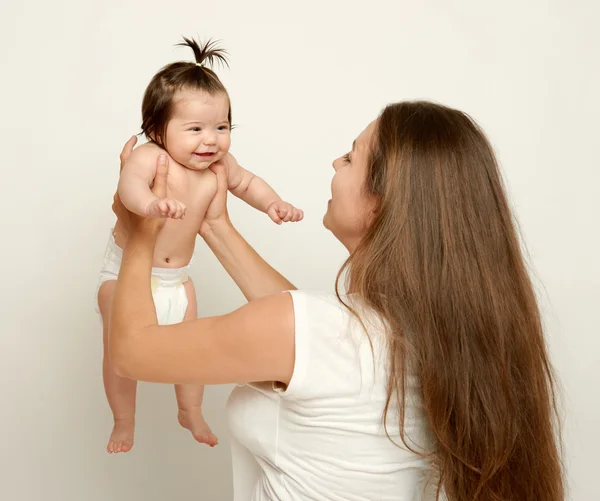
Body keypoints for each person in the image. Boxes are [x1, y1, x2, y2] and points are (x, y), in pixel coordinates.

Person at [109, 101, 564, 500]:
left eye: (350, 158)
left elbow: (131, 352)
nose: (334, 162)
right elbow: (309, 332)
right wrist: (214, 224)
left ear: (380, 204)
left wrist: (140, 233)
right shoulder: (421, 330)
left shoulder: (314, 331)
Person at [97, 37, 303, 454]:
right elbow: (127, 187)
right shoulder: (151, 157)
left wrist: (272, 204)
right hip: (126, 273)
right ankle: (123, 419)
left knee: (188, 344)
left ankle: (189, 408)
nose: (211, 141)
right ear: (157, 130)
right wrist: (151, 204)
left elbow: (246, 183)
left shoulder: (219, 165)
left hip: (177, 277)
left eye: (222, 128)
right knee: (120, 355)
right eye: (195, 129)